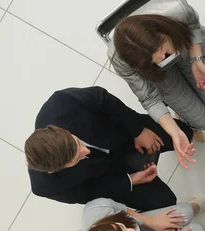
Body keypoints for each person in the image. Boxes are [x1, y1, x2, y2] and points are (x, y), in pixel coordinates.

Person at [25, 86, 192, 210]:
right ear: (53, 171)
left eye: (77, 143)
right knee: (166, 202)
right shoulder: (44, 186)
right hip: (109, 176)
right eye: (77, 158)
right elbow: (89, 193)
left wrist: (138, 131)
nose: (86, 151)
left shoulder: (60, 103)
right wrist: (131, 180)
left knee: (183, 133)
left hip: (123, 133)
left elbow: (103, 99)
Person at [109, 0, 205, 155]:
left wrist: (197, 60)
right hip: (156, 75)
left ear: (161, 29)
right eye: (152, 58)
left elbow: (193, 26)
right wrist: (174, 132)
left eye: (159, 49)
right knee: (202, 121)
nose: (161, 58)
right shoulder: (120, 59)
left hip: (185, 46)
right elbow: (148, 97)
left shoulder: (177, 10)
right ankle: (183, 113)